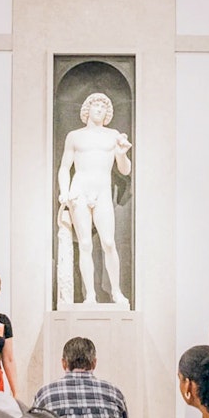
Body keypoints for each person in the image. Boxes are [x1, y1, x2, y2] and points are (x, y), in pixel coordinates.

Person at [57, 92, 132, 305]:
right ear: (87, 109)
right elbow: (64, 167)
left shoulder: (113, 135)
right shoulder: (74, 136)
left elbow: (124, 170)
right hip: (79, 190)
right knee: (85, 244)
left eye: (103, 107)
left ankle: (116, 291)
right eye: (95, 105)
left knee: (108, 242)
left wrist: (123, 153)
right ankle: (90, 294)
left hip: (102, 191)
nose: (99, 109)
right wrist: (64, 191)